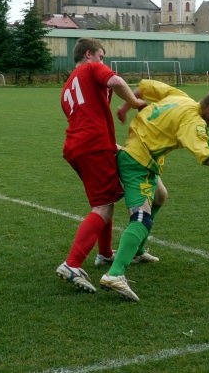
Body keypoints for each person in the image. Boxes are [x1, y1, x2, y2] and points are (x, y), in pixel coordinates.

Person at [100, 80, 209, 302]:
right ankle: (115, 274)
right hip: (137, 163)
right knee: (141, 219)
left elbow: (144, 87)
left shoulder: (180, 96)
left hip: (143, 155)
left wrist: (125, 107)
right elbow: (208, 157)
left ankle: (137, 252)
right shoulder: (193, 122)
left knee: (160, 196)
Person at [56, 38, 147, 294]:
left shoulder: (67, 86)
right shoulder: (91, 67)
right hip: (94, 145)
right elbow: (116, 81)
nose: (103, 61)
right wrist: (136, 103)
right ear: (89, 54)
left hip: (76, 147)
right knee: (103, 208)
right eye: (101, 56)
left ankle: (105, 253)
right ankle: (72, 264)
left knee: (104, 200)